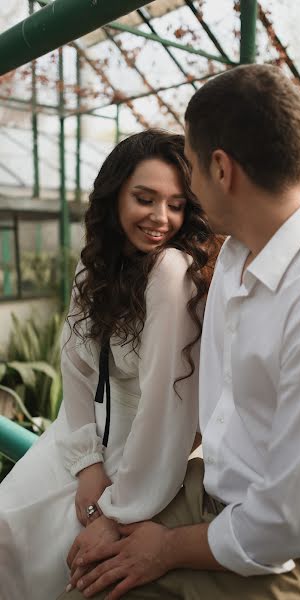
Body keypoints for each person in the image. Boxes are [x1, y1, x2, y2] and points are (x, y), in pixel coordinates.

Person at [62, 65, 300, 600]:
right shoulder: (237, 256)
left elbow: (288, 524)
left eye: (190, 167)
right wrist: (114, 512)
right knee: (80, 573)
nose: (186, 188)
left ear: (221, 168)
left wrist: (165, 547)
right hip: (218, 501)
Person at [0, 129, 218, 600]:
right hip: (84, 437)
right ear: (115, 194)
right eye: (145, 198)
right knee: (6, 526)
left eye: (177, 204)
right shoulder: (95, 265)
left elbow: (166, 405)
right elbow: (75, 370)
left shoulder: (171, 273)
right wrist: (86, 464)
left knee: (61, 560)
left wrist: (119, 508)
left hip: (148, 456)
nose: (161, 218)